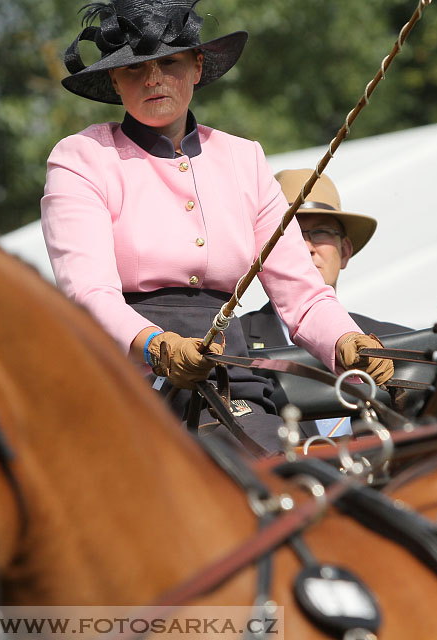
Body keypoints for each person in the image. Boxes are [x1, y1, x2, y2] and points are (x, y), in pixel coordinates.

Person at [40, 0, 392, 452]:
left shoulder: (243, 159)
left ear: (196, 65)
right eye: (134, 69)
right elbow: (87, 293)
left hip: (231, 380)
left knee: (296, 484)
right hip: (124, 380)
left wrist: (347, 342)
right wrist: (155, 347)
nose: (152, 79)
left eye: (169, 62)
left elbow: (303, 296)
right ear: (114, 77)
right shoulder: (82, 157)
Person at [240, 169, 410, 436]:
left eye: (320, 232)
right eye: (292, 233)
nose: (305, 246)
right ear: (263, 253)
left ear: (345, 252)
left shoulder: (397, 344)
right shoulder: (232, 347)